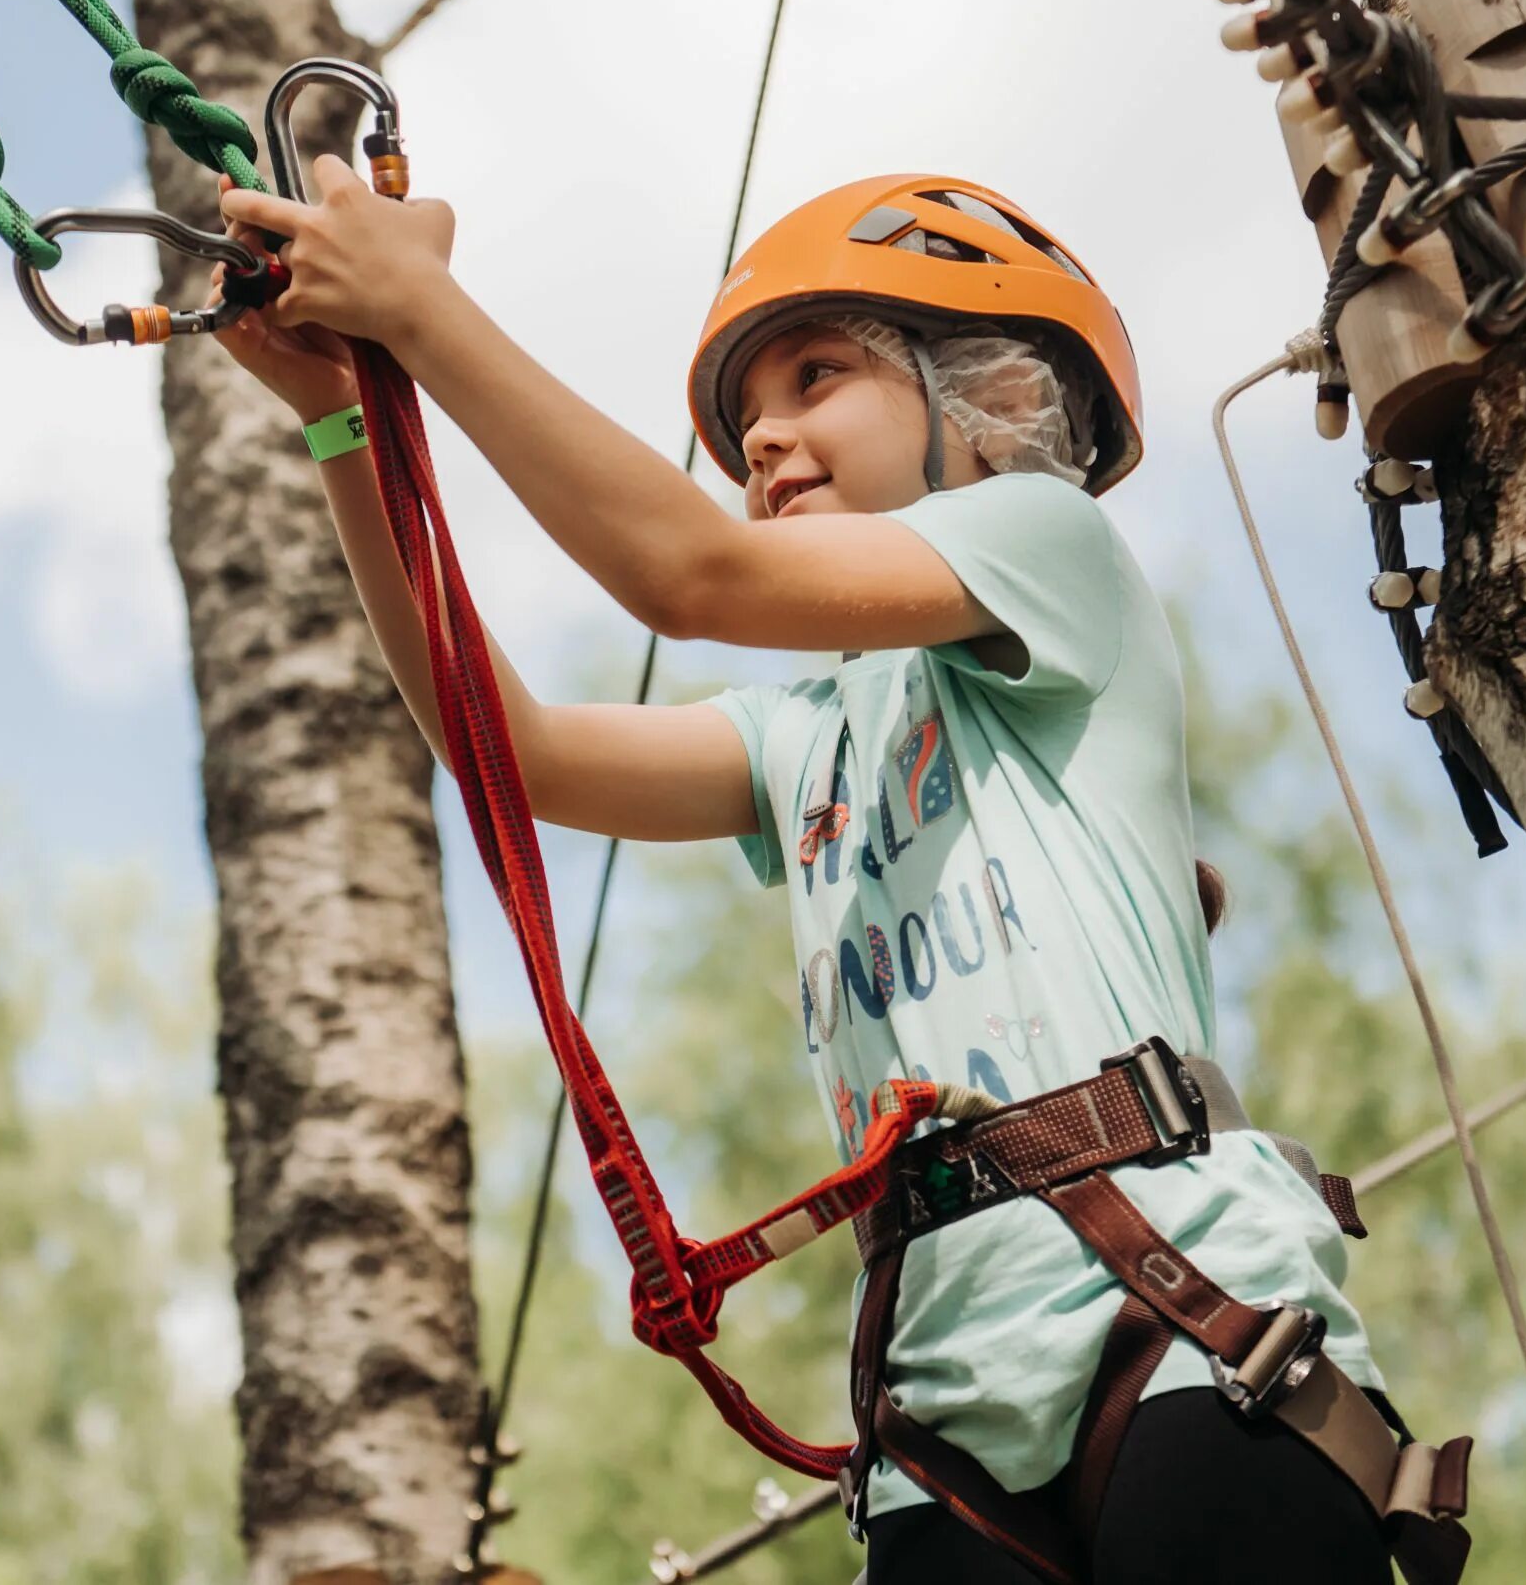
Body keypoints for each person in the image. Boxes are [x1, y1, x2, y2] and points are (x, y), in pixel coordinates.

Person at [211, 163, 1455, 1585]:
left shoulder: (1050, 549)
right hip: (936, 1393)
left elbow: (692, 579)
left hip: (1186, 1319)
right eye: (747, 420)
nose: (767, 438)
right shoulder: (801, 738)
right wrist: (343, 424)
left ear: (985, 393)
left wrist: (423, 314)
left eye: (819, 376)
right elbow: (519, 754)